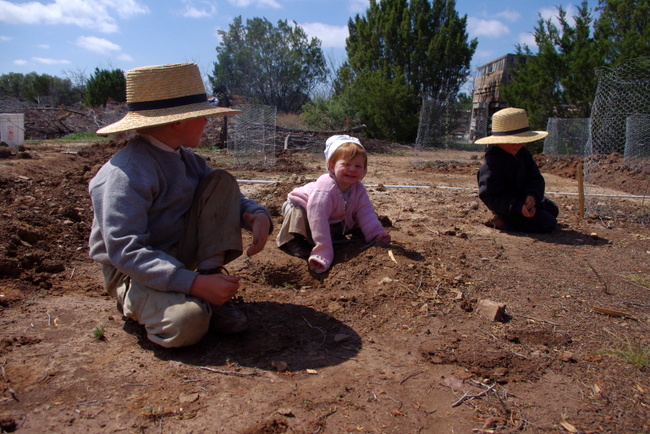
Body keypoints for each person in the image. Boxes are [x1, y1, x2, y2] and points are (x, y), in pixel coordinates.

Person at [89, 62, 272, 348]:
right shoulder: (124, 174)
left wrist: (254, 213)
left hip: (177, 254)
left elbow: (224, 197)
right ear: (177, 121)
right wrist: (193, 284)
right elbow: (126, 251)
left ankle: (207, 283)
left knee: (220, 180)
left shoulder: (187, 160)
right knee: (186, 323)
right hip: (133, 271)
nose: (207, 122)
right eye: (202, 116)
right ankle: (173, 298)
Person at [276, 135, 391, 273]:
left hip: (334, 215)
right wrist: (323, 250)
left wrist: (376, 234)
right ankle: (295, 240)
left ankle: (363, 234)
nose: (352, 169)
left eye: (358, 166)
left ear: (364, 170)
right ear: (331, 166)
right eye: (346, 164)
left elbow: (366, 212)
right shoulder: (326, 187)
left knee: (359, 218)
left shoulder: (358, 189)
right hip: (306, 208)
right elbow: (318, 218)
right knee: (297, 212)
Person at [475, 107, 559, 233]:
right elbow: (490, 195)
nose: (518, 145)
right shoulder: (493, 162)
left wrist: (532, 196)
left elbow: (535, 179)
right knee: (548, 224)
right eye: (512, 141)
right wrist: (518, 207)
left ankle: (520, 216)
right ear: (499, 141)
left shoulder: (523, 154)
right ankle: (500, 220)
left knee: (552, 209)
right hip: (507, 207)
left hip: (522, 199)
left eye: (521, 141)